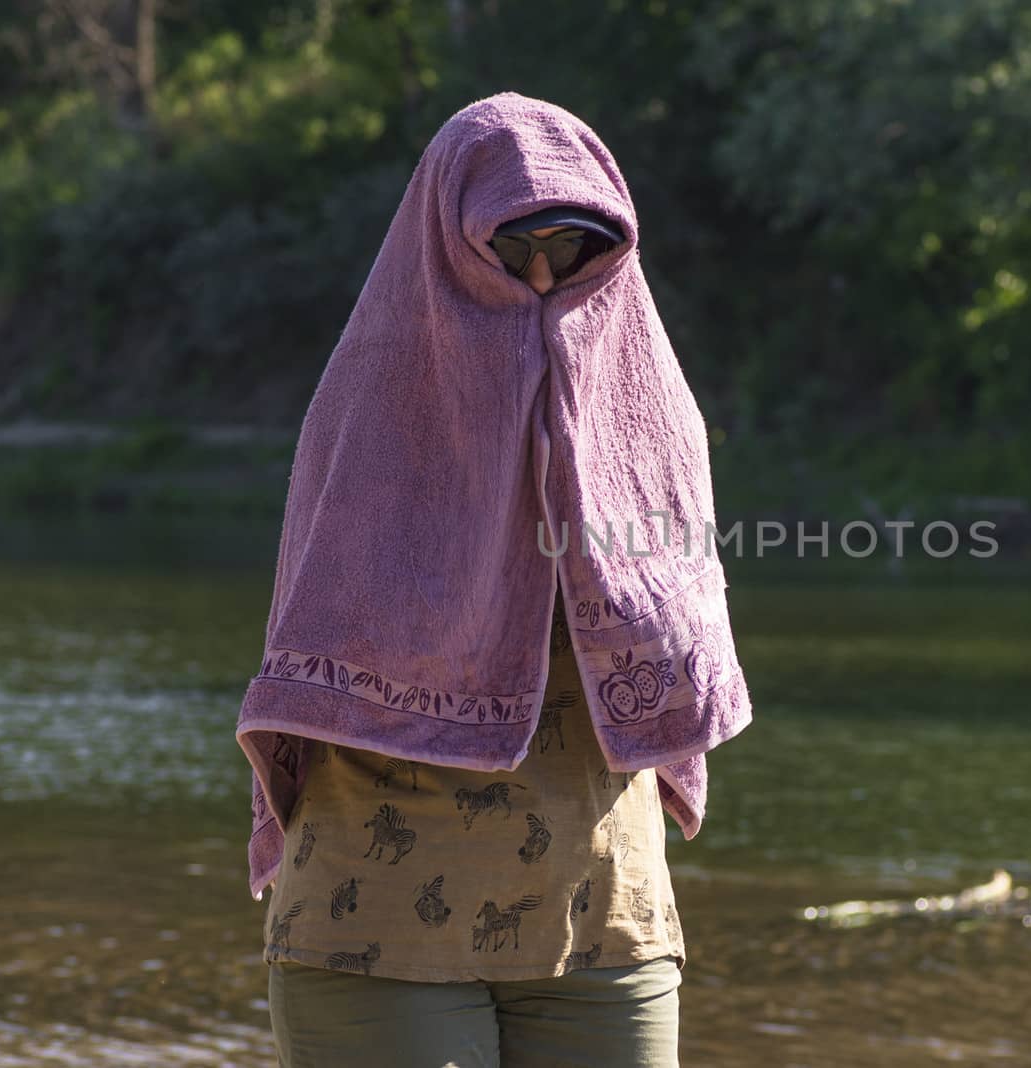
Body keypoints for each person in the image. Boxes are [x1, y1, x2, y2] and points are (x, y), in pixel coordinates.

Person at [237, 92, 753, 1068]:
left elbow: (682, 639)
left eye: (572, 244)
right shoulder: (367, 414)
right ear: (447, 245)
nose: (545, 273)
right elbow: (324, 651)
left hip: (604, 911)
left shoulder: (656, 416)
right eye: (512, 249)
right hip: (380, 914)